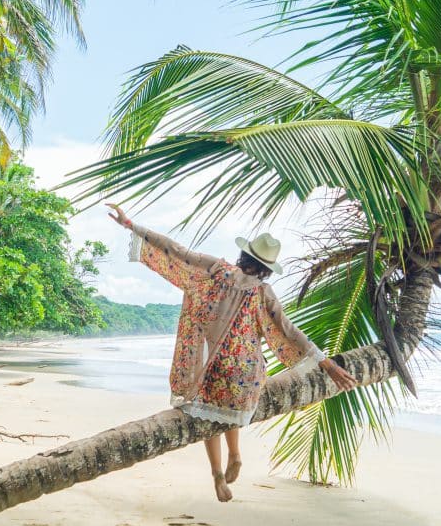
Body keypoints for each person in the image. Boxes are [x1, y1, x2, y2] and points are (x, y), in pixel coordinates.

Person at [106, 203, 359, 502]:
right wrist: (326, 363)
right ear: (266, 268)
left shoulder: (216, 271)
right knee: (228, 408)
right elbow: (290, 332)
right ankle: (236, 454)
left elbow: (176, 250)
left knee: (206, 407)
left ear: (244, 256)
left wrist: (132, 225)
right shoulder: (263, 293)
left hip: (213, 369)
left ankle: (216, 474)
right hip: (245, 376)